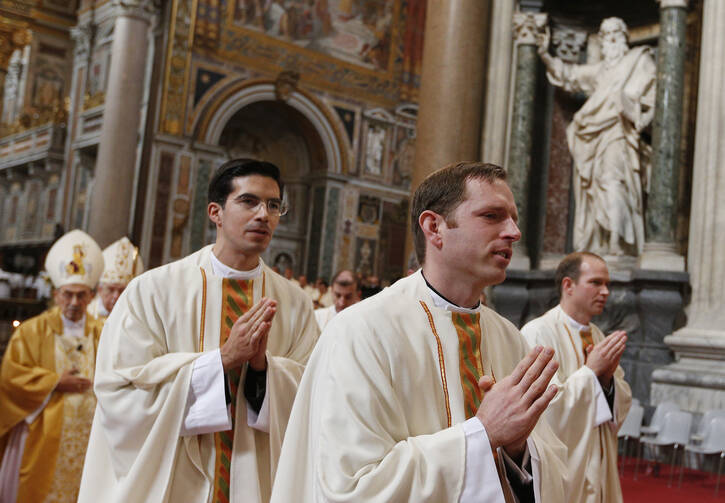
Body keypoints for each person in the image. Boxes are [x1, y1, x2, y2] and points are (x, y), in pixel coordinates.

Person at [272, 162, 568, 502]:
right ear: (434, 227)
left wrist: (516, 447)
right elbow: (352, 487)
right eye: (492, 216)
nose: (514, 232)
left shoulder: (508, 337)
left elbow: (556, 467)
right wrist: (482, 435)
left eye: (514, 218)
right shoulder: (362, 331)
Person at [78, 159, 320, 503]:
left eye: (274, 205)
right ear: (215, 212)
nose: (264, 215)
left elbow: (314, 396)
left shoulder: (295, 304)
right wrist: (221, 360)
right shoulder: (152, 291)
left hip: (258, 480)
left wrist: (265, 371)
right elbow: (118, 390)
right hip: (176, 480)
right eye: (249, 201)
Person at [0, 229, 105, 503]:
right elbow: (11, 378)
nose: (74, 303)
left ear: (91, 296)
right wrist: (54, 382)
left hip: (92, 436)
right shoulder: (32, 331)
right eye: (68, 294)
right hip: (44, 434)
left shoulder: (103, 332)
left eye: (81, 295)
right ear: (57, 294)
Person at [537, 17, 656, 256]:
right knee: (596, 185)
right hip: (592, 135)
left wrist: (640, 116)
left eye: (615, 33)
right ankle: (600, 242)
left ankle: (618, 242)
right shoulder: (600, 71)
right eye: (605, 34)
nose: (610, 38)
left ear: (624, 37)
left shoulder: (638, 60)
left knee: (612, 181)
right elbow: (570, 74)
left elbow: (655, 99)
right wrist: (544, 53)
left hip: (619, 133)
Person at [521, 252, 631, 503]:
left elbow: (622, 397)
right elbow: (543, 409)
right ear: (568, 285)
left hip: (601, 460)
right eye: (596, 283)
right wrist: (591, 374)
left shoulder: (599, 335)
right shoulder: (539, 332)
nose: (605, 292)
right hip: (563, 467)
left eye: (607, 284)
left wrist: (607, 382)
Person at [87, 236, 144, 321]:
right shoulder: (86, 314)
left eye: (122, 291)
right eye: (111, 289)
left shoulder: (136, 319)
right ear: (100, 289)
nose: (116, 296)